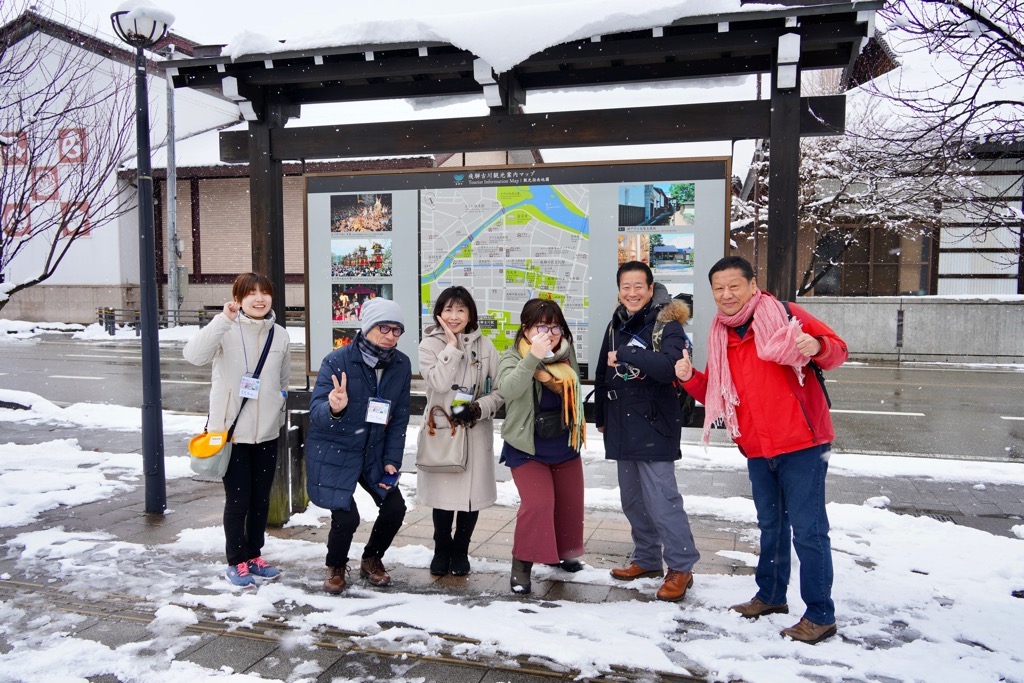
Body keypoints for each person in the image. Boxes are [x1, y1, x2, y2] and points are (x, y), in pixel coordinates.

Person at [675, 255, 848, 645]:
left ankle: (820, 613)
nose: (726, 294)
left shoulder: (785, 315)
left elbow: (838, 351)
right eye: (718, 288)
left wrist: (815, 344)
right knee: (771, 526)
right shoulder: (721, 334)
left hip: (803, 443)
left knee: (809, 531)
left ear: (753, 285)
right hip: (757, 447)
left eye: (734, 285)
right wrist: (690, 378)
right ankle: (770, 595)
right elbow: (722, 394)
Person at [594, 261, 700, 602]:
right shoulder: (617, 322)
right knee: (634, 500)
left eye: (639, 286)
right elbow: (601, 370)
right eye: (626, 287)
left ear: (651, 288)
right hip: (622, 422)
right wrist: (601, 416)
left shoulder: (668, 324)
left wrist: (626, 353)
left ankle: (682, 566)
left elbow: (670, 368)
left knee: (662, 500)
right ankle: (647, 558)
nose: (632, 293)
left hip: (655, 422)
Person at [183, 272, 290, 587]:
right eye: (251, 293)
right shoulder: (225, 330)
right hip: (232, 434)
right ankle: (236, 560)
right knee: (238, 501)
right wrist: (221, 321)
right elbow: (193, 356)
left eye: (264, 292)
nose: (259, 298)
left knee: (261, 501)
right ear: (239, 299)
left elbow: (282, 382)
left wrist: (278, 412)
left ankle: (254, 555)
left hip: (267, 434)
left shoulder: (281, 335)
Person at [305, 297, 412, 594]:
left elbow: (400, 416)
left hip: (374, 451)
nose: (391, 336)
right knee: (346, 515)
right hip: (335, 448)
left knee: (394, 508)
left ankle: (371, 559)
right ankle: (335, 566)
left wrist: (392, 458)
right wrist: (334, 408)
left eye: (397, 330)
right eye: (384, 328)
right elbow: (317, 414)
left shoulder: (400, 365)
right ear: (367, 328)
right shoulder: (337, 361)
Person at [496, 298, 587, 594]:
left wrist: (551, 377)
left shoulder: (565, 354)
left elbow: (573, 391)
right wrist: (532, 358)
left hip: (563, 440)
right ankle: (522, 563)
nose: (550, 332)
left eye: (555, 326)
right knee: (538, 505)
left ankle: (562, 552)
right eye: (541, 326)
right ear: (526, 329)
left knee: (569, 504)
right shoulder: (512, 357)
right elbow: (509, 390)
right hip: (527, 446)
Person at [417, 286, 504, 577]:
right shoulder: (428, 345)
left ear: (470, 313)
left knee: (469, 498)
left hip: (473, 430)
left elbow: (501, 390)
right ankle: (442, 546)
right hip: (443, 430)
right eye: (448, 310)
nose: (454, 316)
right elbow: (439, 384)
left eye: (461, 310)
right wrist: (452, 346)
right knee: (443, 497)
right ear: (439, 313)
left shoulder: (486, 346)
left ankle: (461, 549)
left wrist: (480, 407)